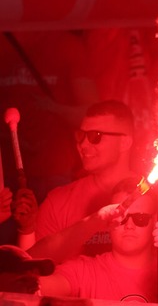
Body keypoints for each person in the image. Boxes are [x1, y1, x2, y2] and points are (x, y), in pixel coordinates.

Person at [0, 30, 99, 247]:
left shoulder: (66, 45)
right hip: (6, 184)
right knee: (8, 258)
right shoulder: (3, 43)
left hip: (56, 173)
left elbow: (94, 114)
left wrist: (53, 109)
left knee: (50, 250)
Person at [26, 99, 139, 261]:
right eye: (81, 135)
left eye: (95, 136)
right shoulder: (58, 202)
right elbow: (32, 267)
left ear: (124, 142)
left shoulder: (156, 196)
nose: (83, 144)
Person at [38, 177, 158, 304]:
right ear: (109, 221)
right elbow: (31, 289)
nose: (129, 226)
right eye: (121, 217)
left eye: (140, 218)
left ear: (154, 221)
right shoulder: (85, 272)